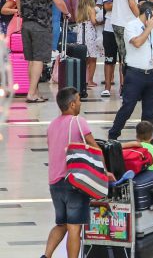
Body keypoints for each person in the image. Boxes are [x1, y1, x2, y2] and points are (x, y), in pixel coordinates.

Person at [45, 87, 96, 258]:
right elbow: (95, 148)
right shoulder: (78, 121)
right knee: (74, 227)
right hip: (73, 181)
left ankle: (46, 255)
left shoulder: (52, 125)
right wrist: (106, 171)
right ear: (72, 104)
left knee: (62, 224)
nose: (80, 103)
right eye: (79, 100)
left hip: (54, 182)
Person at [18, 0, 71, 102]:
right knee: (39, 59)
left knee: (32, 59)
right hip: (40, 24)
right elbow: (58, 1)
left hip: (26, 23)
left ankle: (34, 92)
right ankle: (31, 94)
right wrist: (67, 13)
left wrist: (22, 14)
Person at [107, 1, 153, 141]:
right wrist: (148, 28)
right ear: (147, 13)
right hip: (135, 74)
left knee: (150, 111)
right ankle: (113, 135)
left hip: (151, 74)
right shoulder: (131, 26)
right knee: (128, 107)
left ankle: (149, 140)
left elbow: (152, 49)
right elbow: (137, 43)